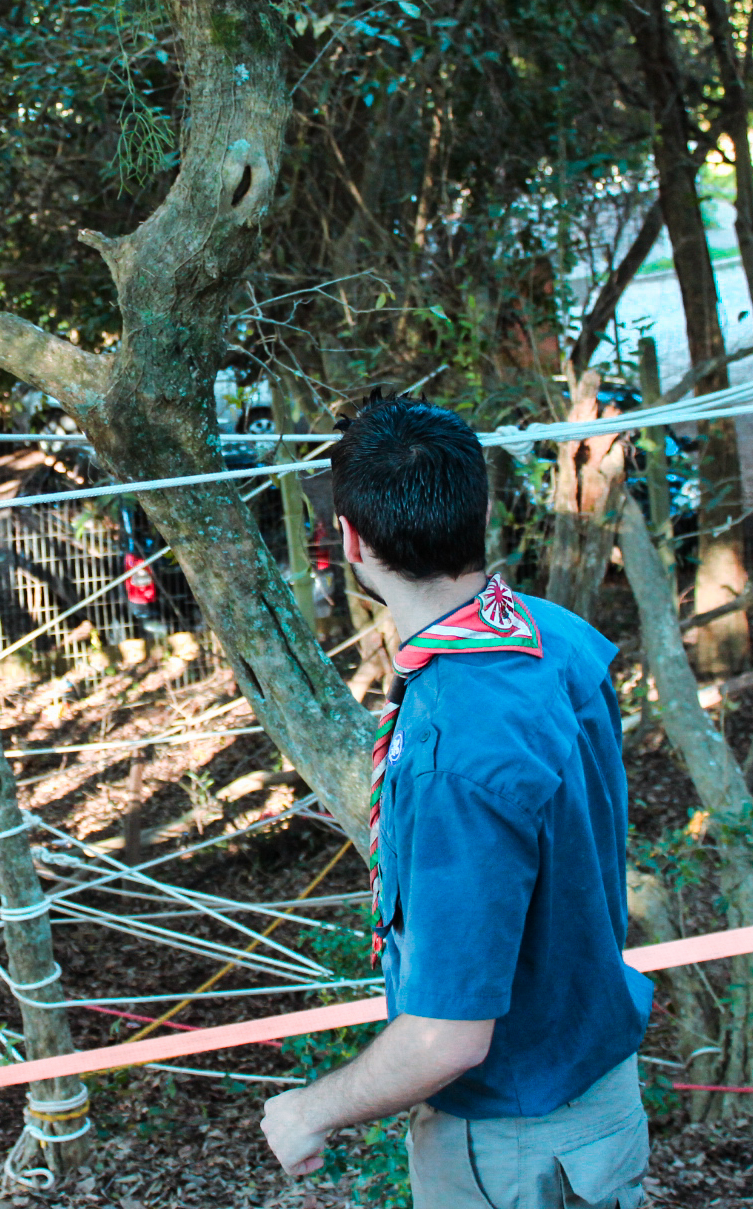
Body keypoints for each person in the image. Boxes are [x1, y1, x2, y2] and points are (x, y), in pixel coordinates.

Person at [258, 397, 652, 1208]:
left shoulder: (450, 758)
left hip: (517, 1146)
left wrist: (308, 1111)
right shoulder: (553, 634)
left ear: (351, 542)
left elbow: (449, 1038)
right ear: (480, 512)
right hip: (598, 1102)